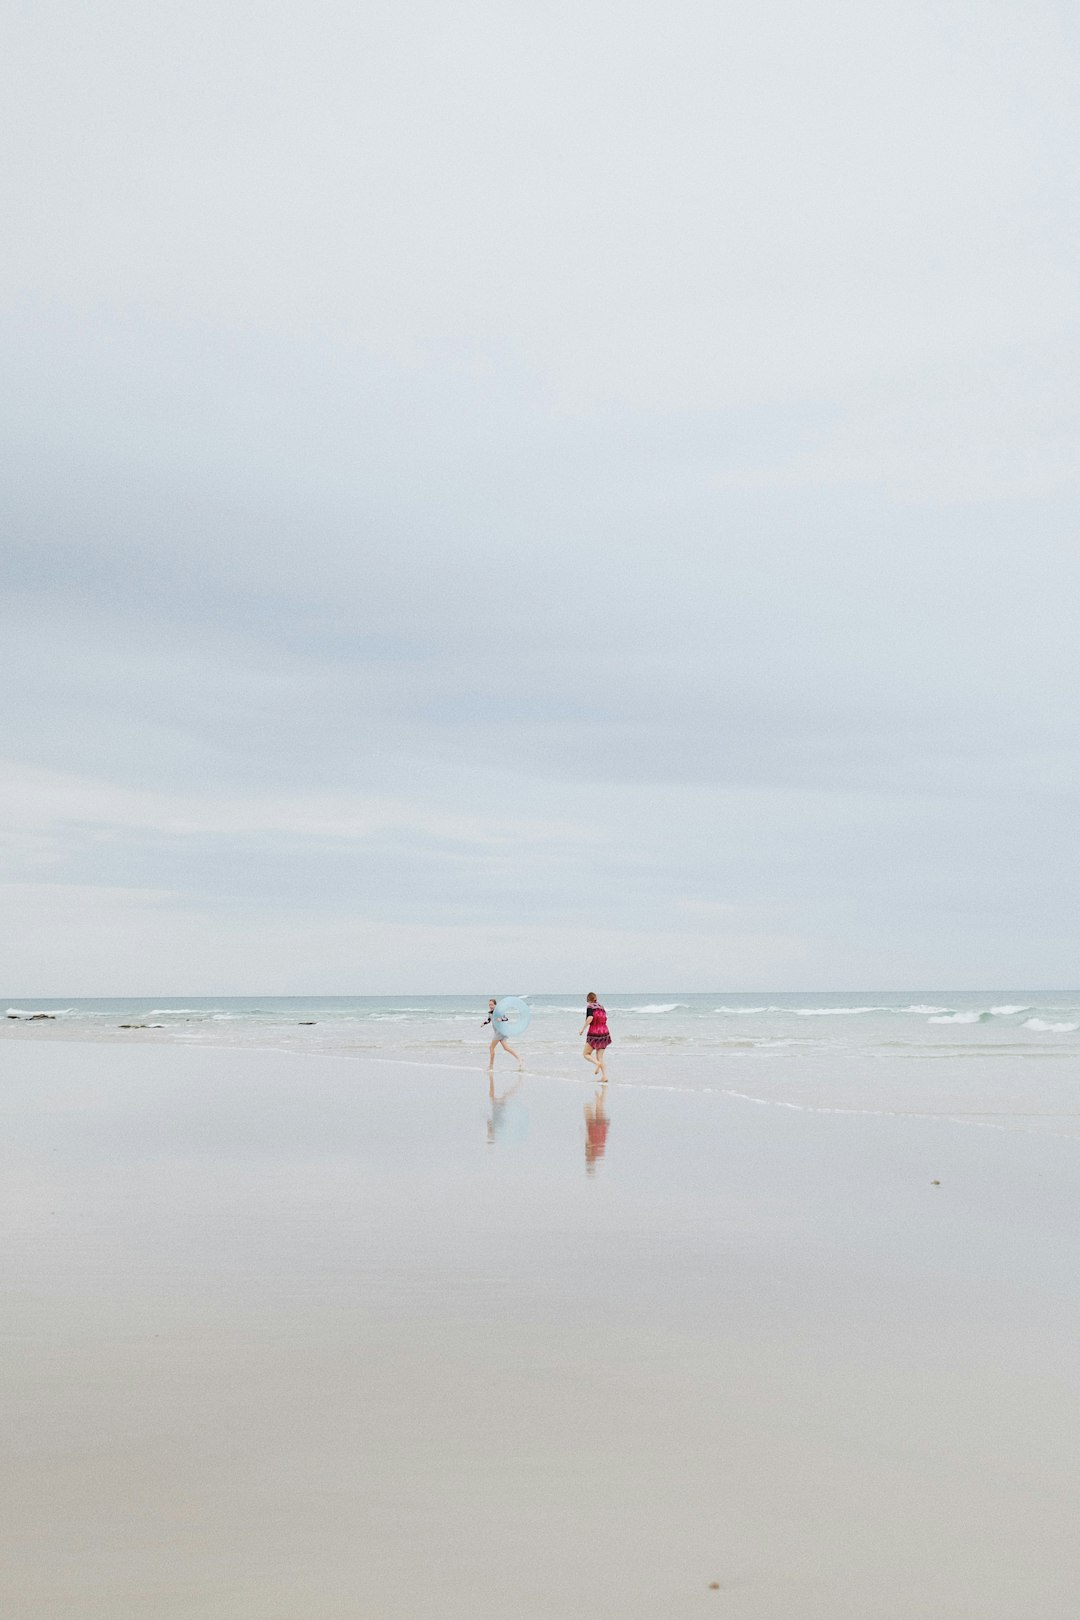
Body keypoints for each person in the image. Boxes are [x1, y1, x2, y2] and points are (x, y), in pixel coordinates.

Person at [483, 997, 523, 1070]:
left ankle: (491, 1066)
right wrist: (484, 1023)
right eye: (489, 1005)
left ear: (495, 1005)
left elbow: (506, 1018)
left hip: (499, 1032)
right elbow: (489, 1020)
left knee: (491, 1047)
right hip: (499, 1032)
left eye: (492, 1005)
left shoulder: (499, 1012)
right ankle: (519, 1058)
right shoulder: (490, 1013)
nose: (490, 1006)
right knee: (506, 1048)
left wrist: (500, 1019)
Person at [579, 992, 611, 1080]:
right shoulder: (602, 1007)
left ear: (588, 1000)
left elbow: (590, 1018)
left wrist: (582, 1029)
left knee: (586, 1054)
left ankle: (597, 1063)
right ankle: (604, 1076)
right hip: (604, 1032)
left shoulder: (590, 1007)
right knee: (600, 1057)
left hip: (594, 1032)